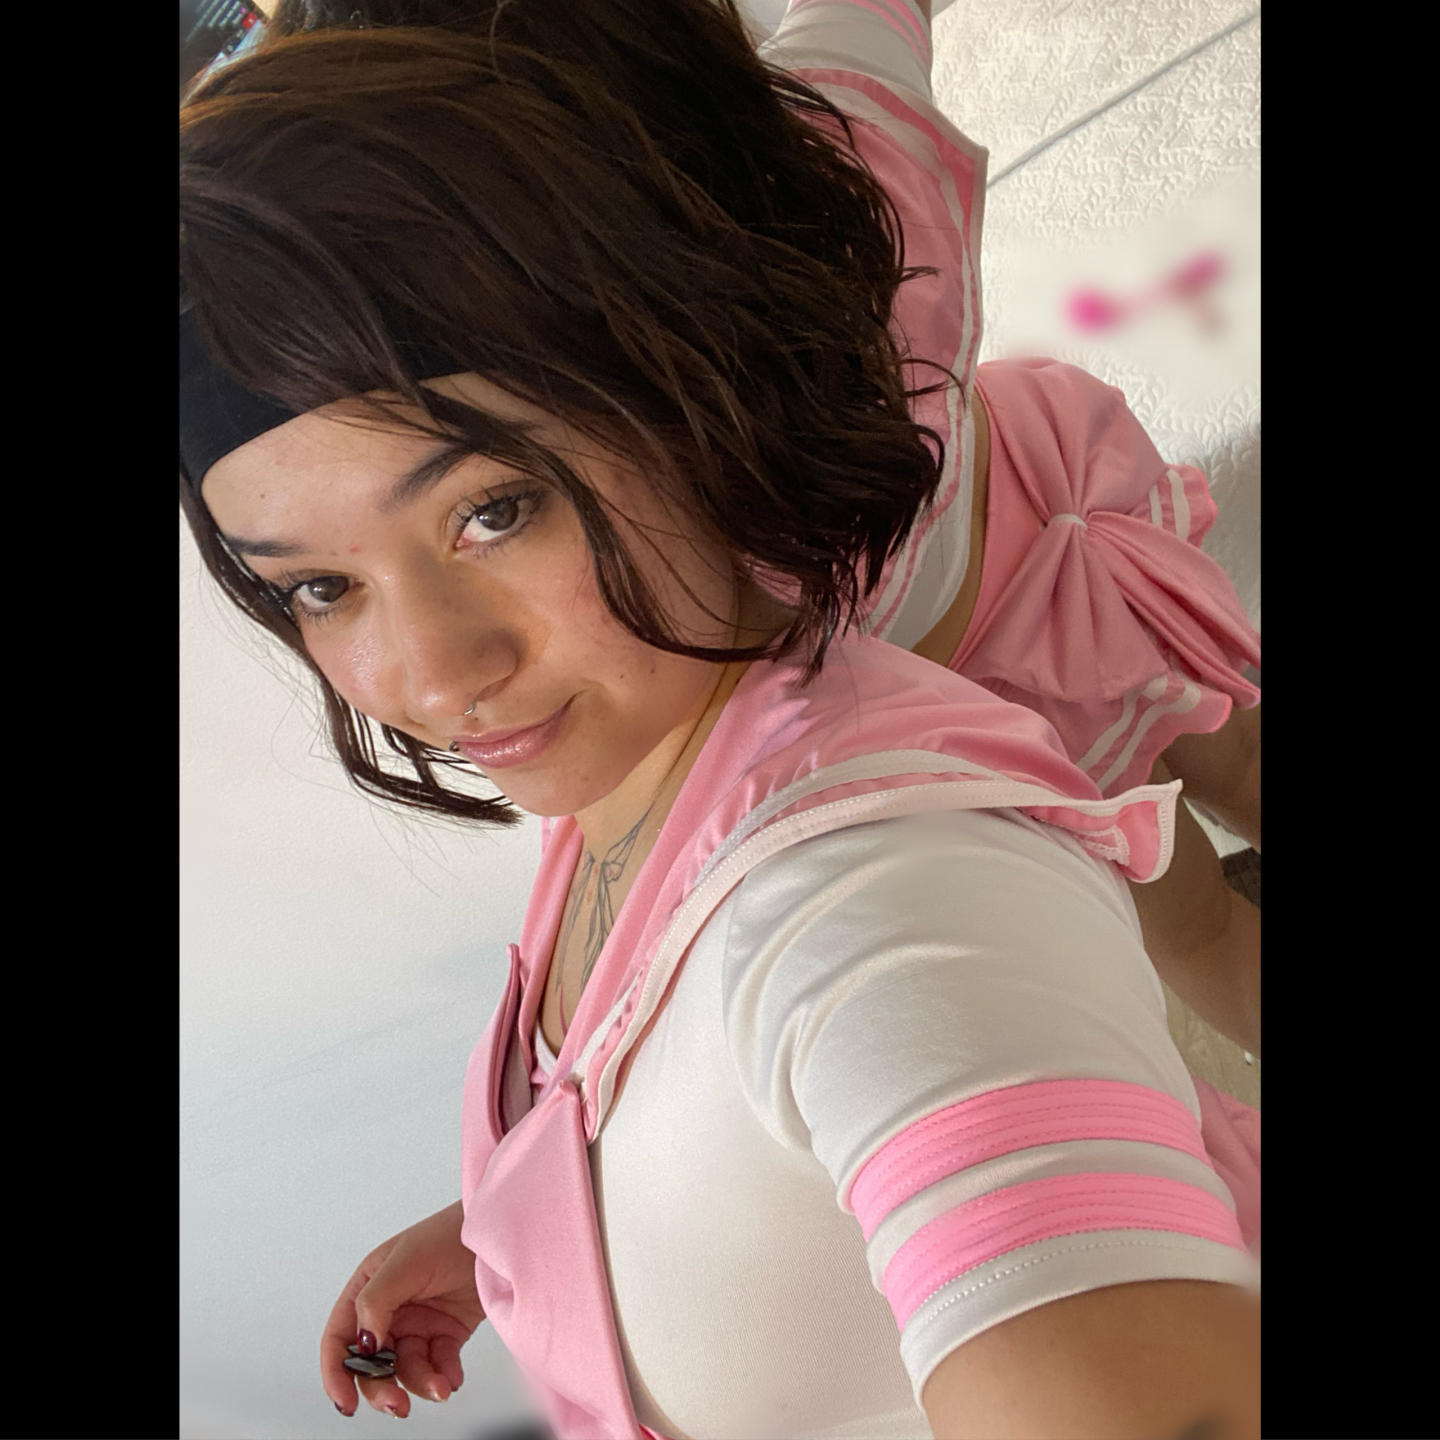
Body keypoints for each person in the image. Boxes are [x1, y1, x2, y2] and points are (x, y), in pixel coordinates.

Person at [179, 3, 1261, 1435]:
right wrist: (524, 1238)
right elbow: (681, 1065)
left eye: (496, 510)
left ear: (697, 392)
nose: (435, 680)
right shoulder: (626, 755)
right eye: (320, 587)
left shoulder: (877, 900)